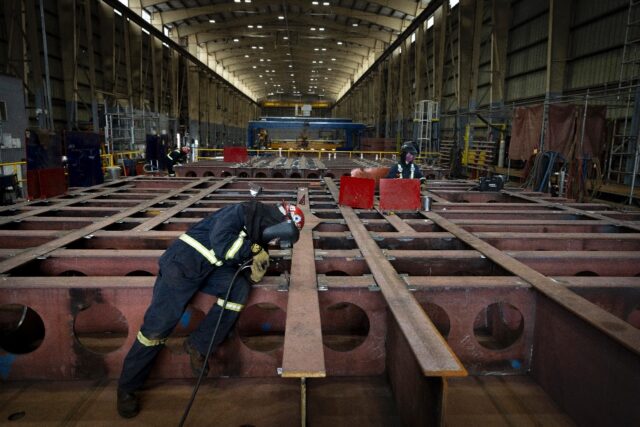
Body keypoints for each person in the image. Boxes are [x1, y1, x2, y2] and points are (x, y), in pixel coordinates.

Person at [116, 200, 305, 418]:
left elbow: (237, 260)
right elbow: (223, 243)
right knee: (157, 328)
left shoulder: (256, 229)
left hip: (210, 268)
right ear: (280, 224)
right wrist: (252, 251)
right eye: (277, 237)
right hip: (183, 264)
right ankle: (127, 388)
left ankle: (199, 345)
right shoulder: (241, 211)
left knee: (239, 289)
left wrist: (254, 267)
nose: (273, 241)